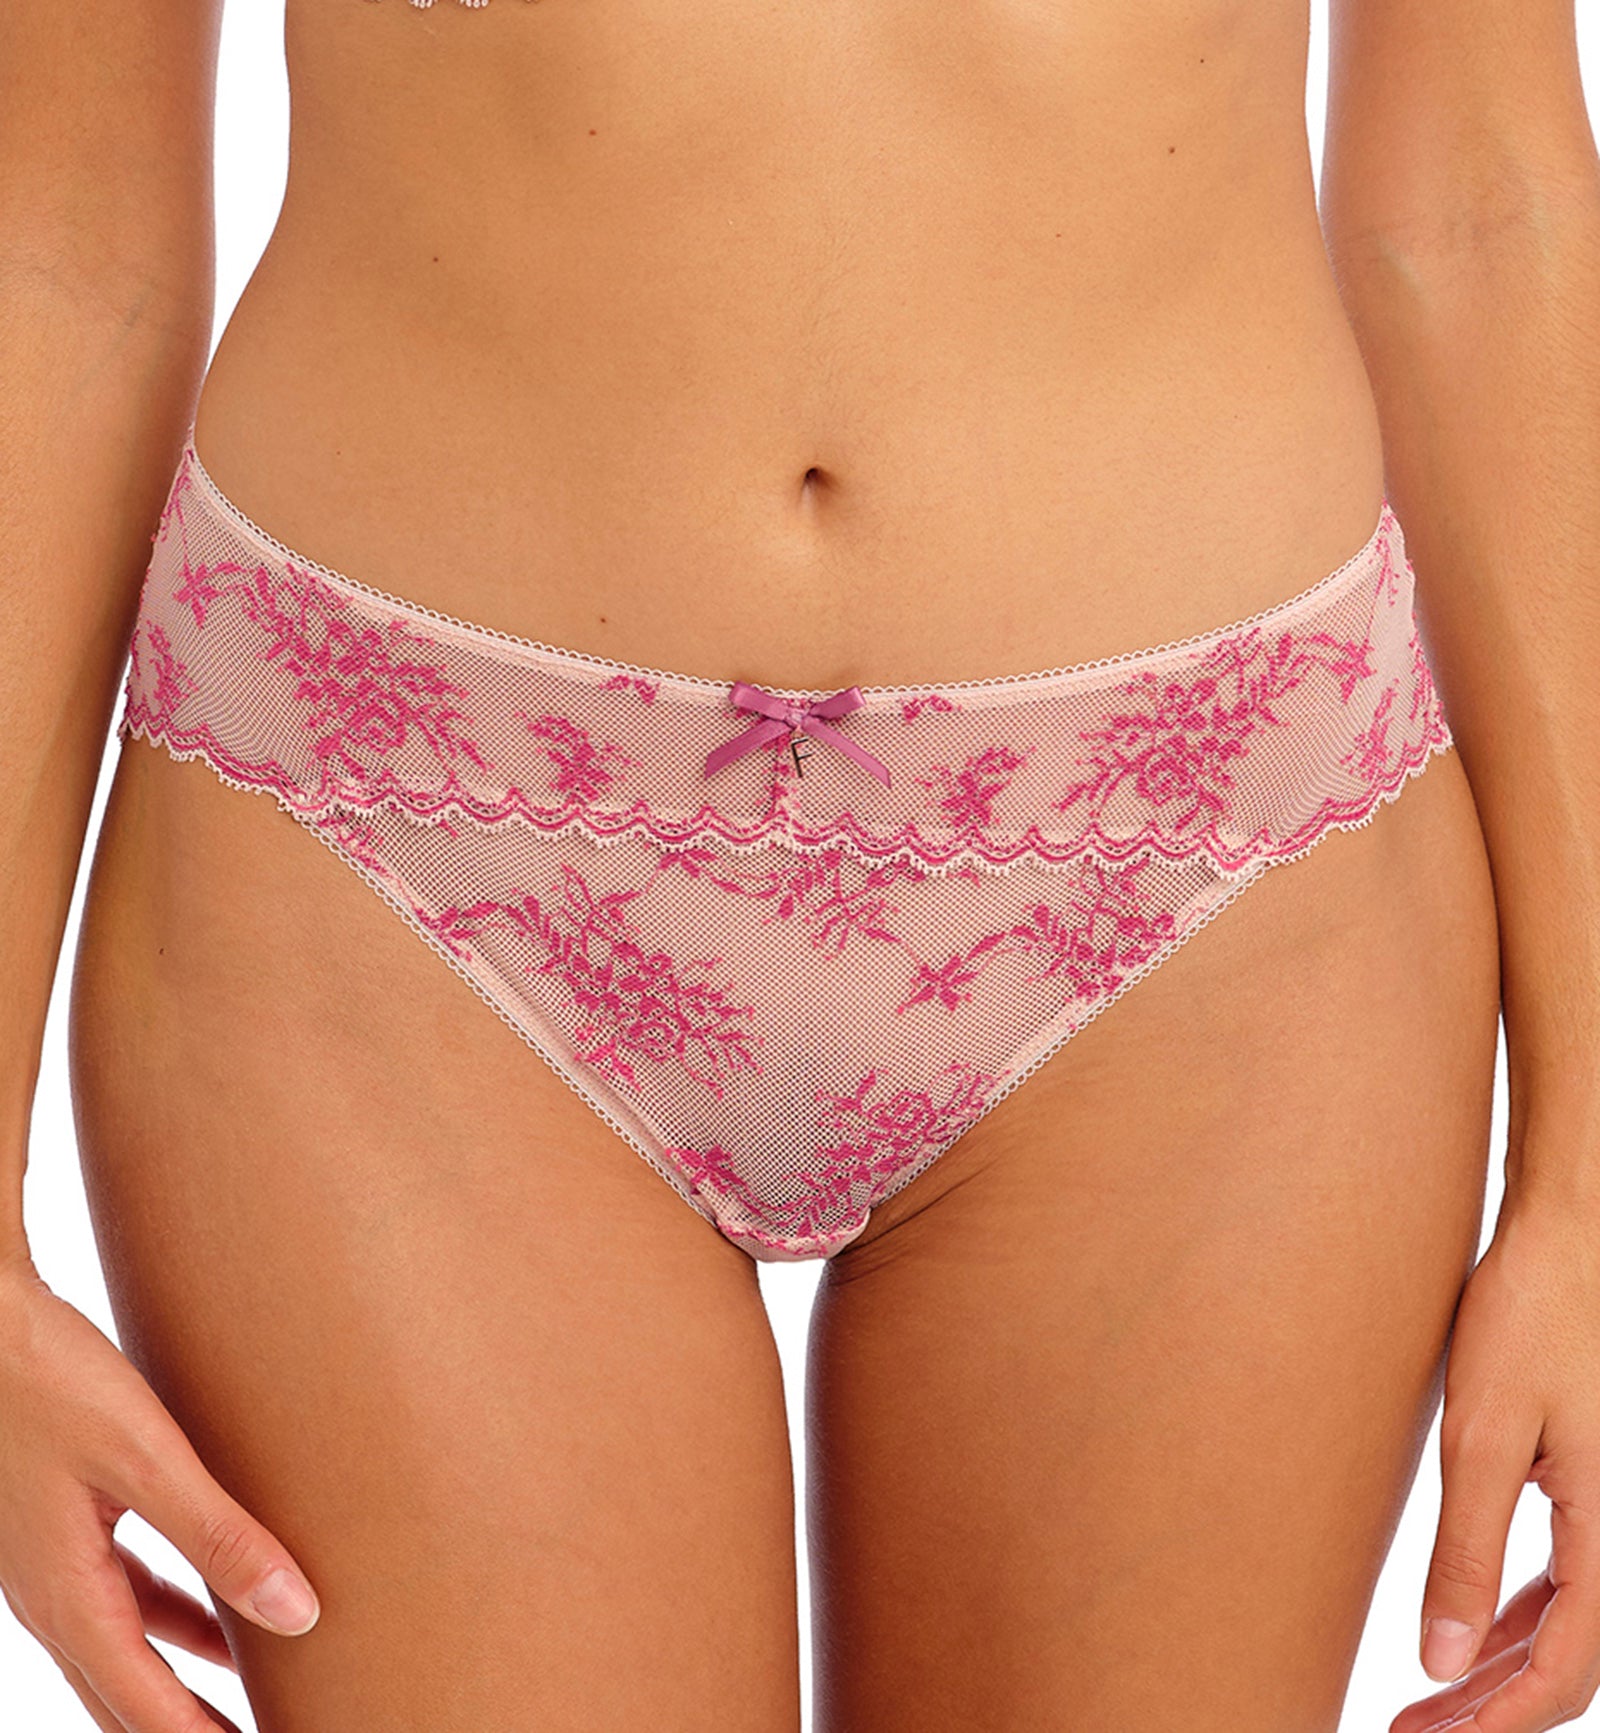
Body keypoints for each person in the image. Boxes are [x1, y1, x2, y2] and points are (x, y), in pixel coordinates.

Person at [1, 0, 1596, 1727]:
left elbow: (1480, 202)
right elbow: (64, 238)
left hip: (1210, 859)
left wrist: (1592, 1174)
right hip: (388, 842)